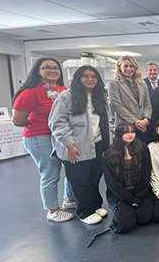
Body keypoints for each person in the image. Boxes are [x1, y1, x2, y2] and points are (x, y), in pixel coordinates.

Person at [12, 57, 74, 222]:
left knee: (71, 168)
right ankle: (53, 210)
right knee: (51, 172)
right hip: (40, 137)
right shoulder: (30, 92)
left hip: (61, 137)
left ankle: (69, 200)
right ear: (37, 70)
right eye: (47, 67)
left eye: (55, 68)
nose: (52, 70)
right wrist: (40, 124)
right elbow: (18, 120)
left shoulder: (63, 89)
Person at [49, 66, 110, 225]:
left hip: (96, 144)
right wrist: (69, 145)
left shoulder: (99, 97)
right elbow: (57, 123)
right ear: (78, 79)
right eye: (85, 76)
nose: (90, 79)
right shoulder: (66, 97)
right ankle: (85, 211)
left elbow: (105, 122)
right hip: (75, 146)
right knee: (79, 179)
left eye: (93, 77)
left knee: (95, 176)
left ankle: (95, 205)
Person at [102, 123, 153, 233]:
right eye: (126, 132)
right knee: (125, 225)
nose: (130, 135)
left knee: (144, 219)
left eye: (132, 132)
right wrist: (129, 199)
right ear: (119, 134)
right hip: (120, 195)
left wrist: (138, 197)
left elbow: (146, 173)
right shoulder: (109, 154)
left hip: (139, 192)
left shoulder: (143, 148)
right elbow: (112, 182)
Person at [109, 56, 152, 142]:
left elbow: (147, 104)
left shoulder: (142, 83)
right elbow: (117, 106)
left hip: (142, 127)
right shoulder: (114, 84)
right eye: (125, 66)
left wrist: (146, 120)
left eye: (131, 66)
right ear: (119, 67)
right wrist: (136, 122)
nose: (129, 69)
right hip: (125, 127)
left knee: (142, 152)